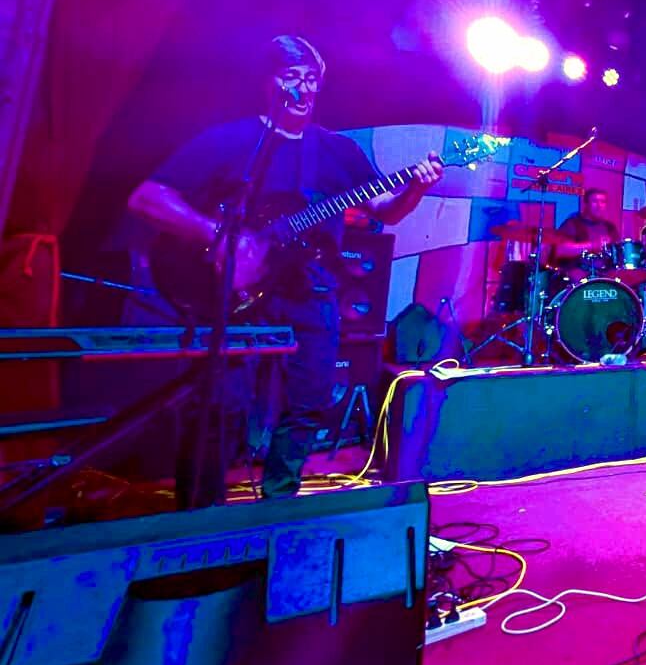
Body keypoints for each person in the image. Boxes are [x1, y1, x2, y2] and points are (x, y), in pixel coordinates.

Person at [127, 35, 442, 504]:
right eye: (292, 76)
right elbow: (148, 198)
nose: (304, 87)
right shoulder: (233, 141)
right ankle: (199, 512)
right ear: (268, 82)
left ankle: (278, 503)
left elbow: (386, 210)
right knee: (221, 404)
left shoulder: (336, 151)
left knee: (309, 401)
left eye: (312, 79)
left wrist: (415, 189)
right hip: (233, 293)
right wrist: (218, 235)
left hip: (311, 290)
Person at [552, 187, 621, 279]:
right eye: (595, 202)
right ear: (586, 204)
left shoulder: (610, 227)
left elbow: (619, 254)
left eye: (602, 202)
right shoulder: (572, 224)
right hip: (578, 275)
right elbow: (561, 250)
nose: (599, 206)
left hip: (604, 275)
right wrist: (592, 245)